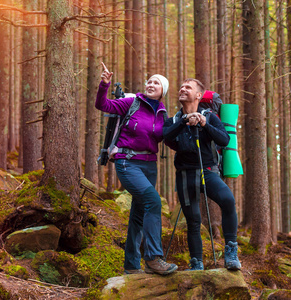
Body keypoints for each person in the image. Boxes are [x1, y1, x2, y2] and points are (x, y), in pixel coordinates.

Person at [96, 62, 177, 276]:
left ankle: (131, 265)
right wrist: (104, 84)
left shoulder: (162, 114)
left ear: (162, 91)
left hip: (150, 166)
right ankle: (153, 258)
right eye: (149, 81)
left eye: (156, 83)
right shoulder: (131, 102)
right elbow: (103, 105)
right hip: (127, 162)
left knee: (139, 213)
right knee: (153, 201)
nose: (151, 84)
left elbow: (167, 139)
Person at [162, 78, 241, 271]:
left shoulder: (210, 116)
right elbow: (166, 137)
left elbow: (224, 139)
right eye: (181, 86)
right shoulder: (173, 120)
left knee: (228, 201)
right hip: (184, 175)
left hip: (208, 172)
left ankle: (231, 251)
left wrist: (205, 124)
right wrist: (183, 122)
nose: (182, 89)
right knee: (193, 220)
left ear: (198, 95)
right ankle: (196, 262)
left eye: (188, 87)